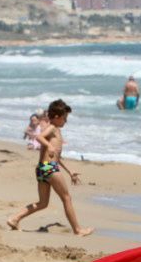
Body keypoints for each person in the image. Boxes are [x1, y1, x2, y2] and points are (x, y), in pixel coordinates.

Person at [8, 99, 93, 237]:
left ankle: (14, 218)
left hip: (42, 168)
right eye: (65, 118)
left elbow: (57, 156)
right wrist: (49, 145)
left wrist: (70, 171)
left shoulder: (57, 130)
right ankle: (78, 230)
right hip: (49, 167)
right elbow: (39, 137)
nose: (66, 121)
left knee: (43, 203)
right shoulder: (52, 128)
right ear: (57, 117)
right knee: (66, 198)